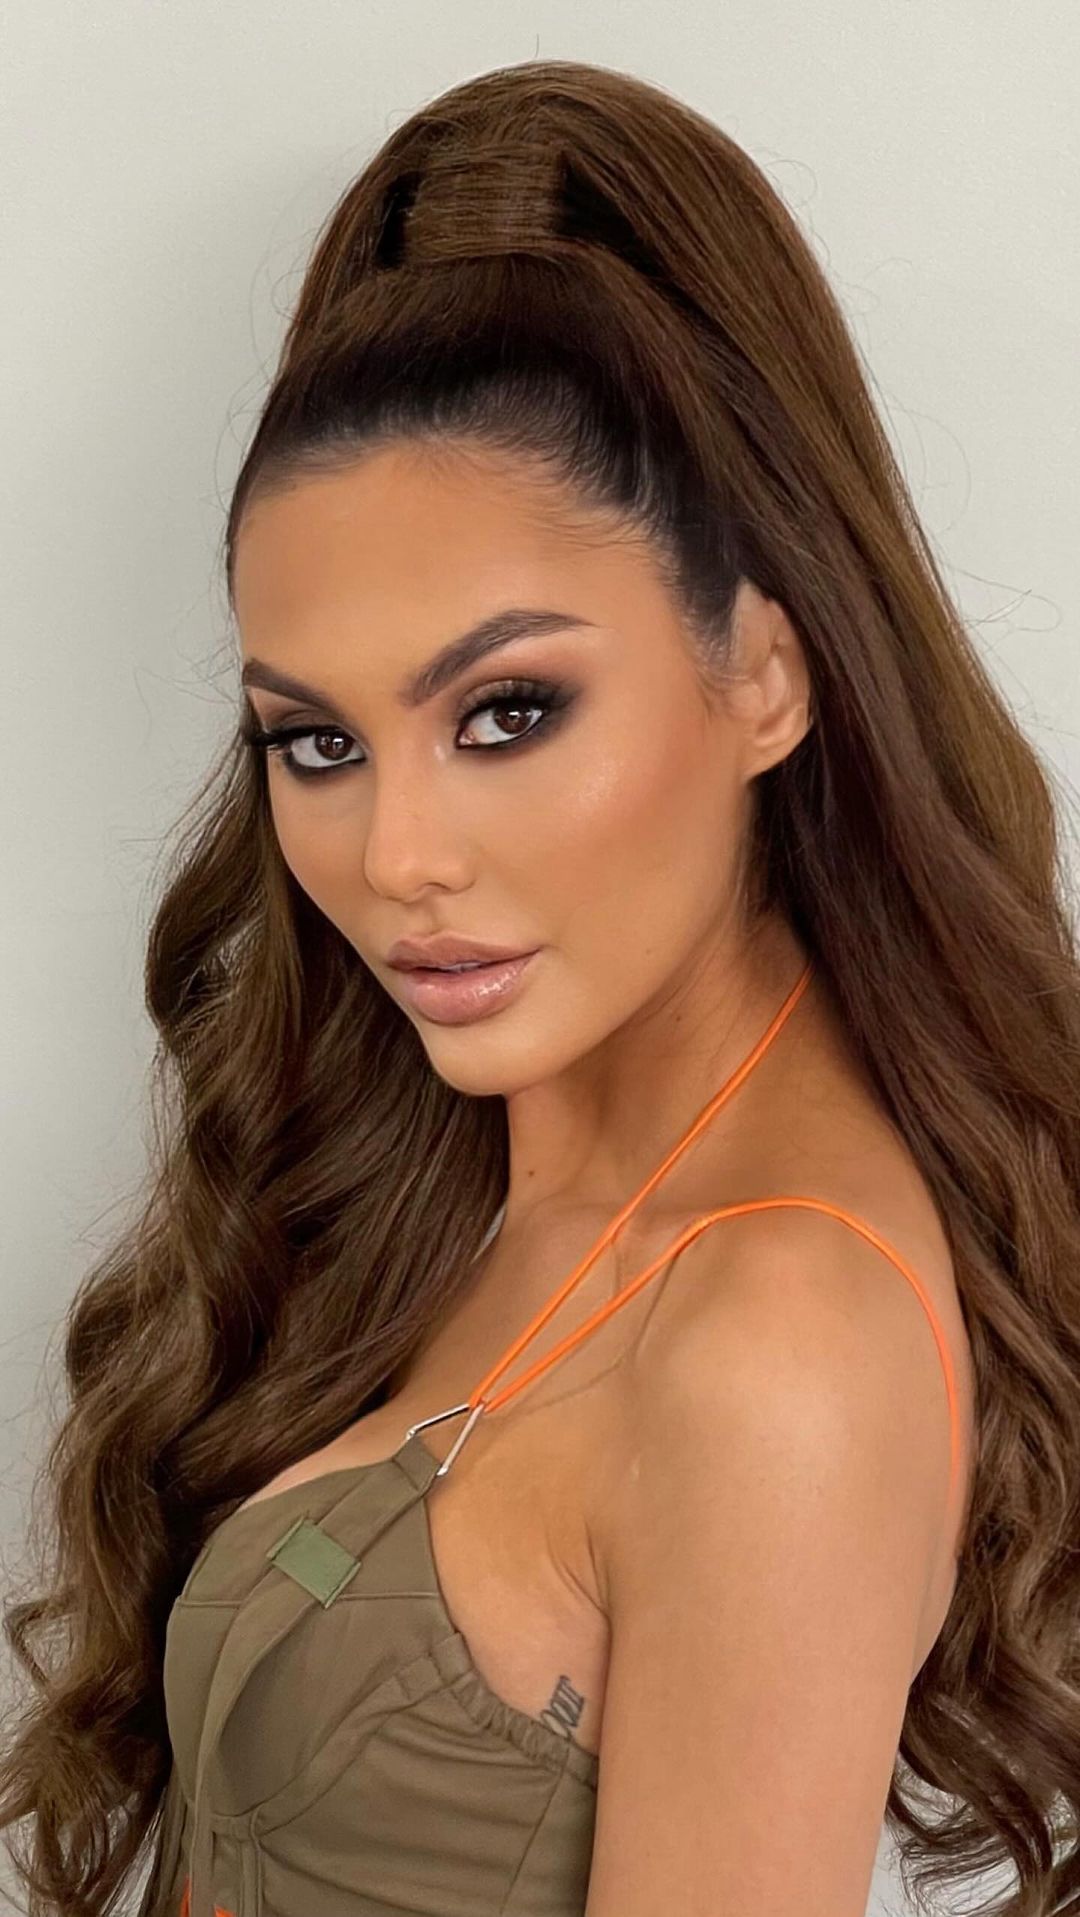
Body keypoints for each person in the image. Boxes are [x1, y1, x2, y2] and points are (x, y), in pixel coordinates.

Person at [4, 55, 1080, 1917]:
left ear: (766, 672)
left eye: (508, 712)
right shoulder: (465, 1197)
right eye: (318, 742)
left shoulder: (774, 1338)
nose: (397, 854)